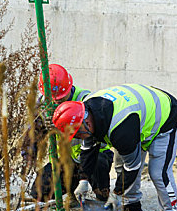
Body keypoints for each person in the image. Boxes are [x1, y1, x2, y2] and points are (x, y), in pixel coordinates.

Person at [52, 84, 177, 211]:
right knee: (121, 164)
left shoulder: (120, 130)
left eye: (77, 134)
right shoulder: (85, 111)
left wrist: (116, 194)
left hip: (166, 115)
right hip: (136, 118)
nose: (78, 138)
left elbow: (133, 167)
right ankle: (133, 210)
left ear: (87, 123)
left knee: (158, 172)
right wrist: (83, 180)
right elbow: (88, 150)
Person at [25, 64, 113, 203]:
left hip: (94, 155)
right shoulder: (43, 106)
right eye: (53, 97)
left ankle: (103, 197)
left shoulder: (86, 100)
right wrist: (29, 154)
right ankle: (71, 193)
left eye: (61, 96)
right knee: (39, 191)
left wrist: (62, 126)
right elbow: (33, 135)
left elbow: (93, 134)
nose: (57, 100)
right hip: (67, 159)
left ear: (69, 86)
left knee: (100, 174)